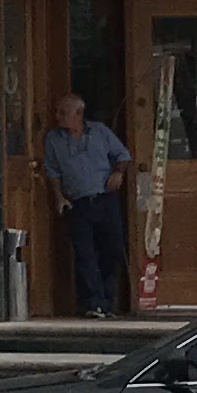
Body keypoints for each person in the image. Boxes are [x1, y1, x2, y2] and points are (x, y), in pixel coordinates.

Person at [37, 91, 136, 319]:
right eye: (58, 112)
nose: (58, 116)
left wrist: (118, 173)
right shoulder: (53, 139)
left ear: (78, 114)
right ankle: (94, 303)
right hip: (77, 203)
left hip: (104, 199)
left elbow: (124, 155)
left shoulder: (99, 131)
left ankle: (108, 303)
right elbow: (52, 171)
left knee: (111, 249)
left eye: (63, 112)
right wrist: (58, 197)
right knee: (85, 254)